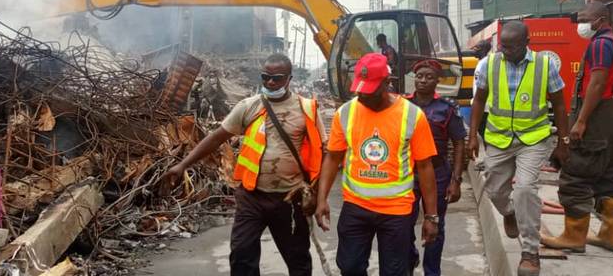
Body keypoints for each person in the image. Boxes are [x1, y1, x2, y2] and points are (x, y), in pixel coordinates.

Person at [163, 53, 325, 276]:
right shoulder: (249, 106)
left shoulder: (306, 109)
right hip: (252, 196)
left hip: (290, 198)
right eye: (265, 77)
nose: (270, 82)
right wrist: (183, 165)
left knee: (298, 260)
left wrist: (320, 196)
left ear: (289, 78)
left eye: (277, 78)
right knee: (241, 255)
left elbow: (324, 152)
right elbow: (216, 138)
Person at [315, 53, 439, 276]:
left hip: (397, 210)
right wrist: (321, 198)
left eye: (369, 91)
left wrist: (431, 216)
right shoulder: (346, 113)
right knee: (350, 267)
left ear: (386, 83)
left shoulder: (412, 115)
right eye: (359, 90)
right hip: (356, 206)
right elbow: (333, 157)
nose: (362, 96)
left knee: (394, 272)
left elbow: (425, 166)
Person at [468, 21, 570, 276]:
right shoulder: (490, 64)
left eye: (512, 47)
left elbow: (559, 104)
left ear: (526, 43)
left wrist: (563, 142)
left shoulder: (544, 65)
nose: (505, 51)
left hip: (533, 139)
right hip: (499, 138)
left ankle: (530, 252)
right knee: (495, 190)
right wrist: (472, 137)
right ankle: (510, 212)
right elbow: (479, 100)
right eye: (502, 46)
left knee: (525, 189)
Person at [541, 1, 613, 253]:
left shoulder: (600, 45)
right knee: (608, 177)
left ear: (600, 20)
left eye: (584, 19)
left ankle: (574, 236)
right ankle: (609, 235)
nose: (580, 24)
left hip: (597, 117)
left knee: (575, 174)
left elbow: (597, 84)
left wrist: (581, 121)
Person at [405, 59, 467, 276]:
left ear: (437, 81)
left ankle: (432, 271)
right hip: (408, 173)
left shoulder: (447, 109)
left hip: (438, 173)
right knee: (403, 222)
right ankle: (409, 258)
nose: (423, 80)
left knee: (435, 225)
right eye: (419, 76)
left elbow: (459, 143)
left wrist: (456, 181)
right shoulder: (403, 105)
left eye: (429, 77)